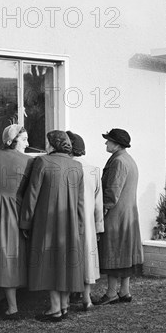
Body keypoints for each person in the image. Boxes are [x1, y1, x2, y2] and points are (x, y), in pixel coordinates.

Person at [20, 130, 85, 322]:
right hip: (70, 222)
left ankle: (55, 309)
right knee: (65, 262)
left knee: (50, 262)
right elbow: (81, 202)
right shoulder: (77, 166)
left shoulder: (42, 162)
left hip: (46, 221)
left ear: (52, 144)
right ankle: (63, 306)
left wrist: (25, 221)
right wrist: (79, 225)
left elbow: (32, 194)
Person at [0, 124, 33, 320]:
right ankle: (11, 305)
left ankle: (3, 300)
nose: (28, 144)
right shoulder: (28, 162)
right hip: (15, 207)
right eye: (24, 139)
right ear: (12, 141)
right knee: (10, 254)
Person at [94, 128, 143, 306]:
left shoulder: (119, 162)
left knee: (114, 252)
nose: (106, 143)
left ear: (116, 144)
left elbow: (112, 191)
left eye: (108, 141)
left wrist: (103, 209)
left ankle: (111, 293)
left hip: (117, 214)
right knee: (124, 253)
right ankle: (124, 291)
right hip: (127, 214)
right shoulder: (127, 159)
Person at [66, 131, 104, 311]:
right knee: (87, 258)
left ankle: (65, 298)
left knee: (69, 256)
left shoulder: (65, 167)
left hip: (69, 219)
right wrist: (98, 227)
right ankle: (86, 298)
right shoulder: (94, 170)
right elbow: (98, 203)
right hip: (88, 221)